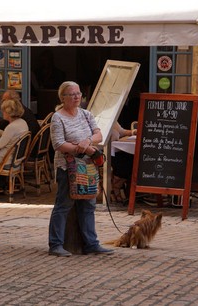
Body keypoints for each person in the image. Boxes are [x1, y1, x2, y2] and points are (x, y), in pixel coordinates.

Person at [48, 81, 113, 257]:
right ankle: (56, 244)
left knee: (88, 204)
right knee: (64, 204)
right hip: (67, 166)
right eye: (72, 94)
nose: (77, 97)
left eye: (79, 94)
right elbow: (59, 144)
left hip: (87, 167)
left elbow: (99, 134)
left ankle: (91, 243)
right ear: (63, 98)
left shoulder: (86, 114)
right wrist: (82, 148)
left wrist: (88, 142)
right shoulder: (58, 117)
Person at [111, 122, 136, 204]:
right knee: (124, 161)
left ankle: (117, 185)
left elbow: (122, 131)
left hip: (117, 150)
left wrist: (133, 132)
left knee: (130, 158)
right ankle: (116, 187)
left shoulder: (112, 118)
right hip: (105, 152)